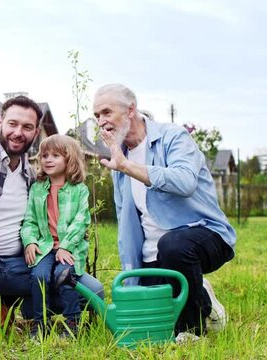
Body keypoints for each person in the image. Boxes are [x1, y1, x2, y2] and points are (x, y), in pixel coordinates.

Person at [0, 95, 103, 342]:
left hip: (18, 266)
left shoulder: (31, 176)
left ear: (35, 133)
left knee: (92, 292)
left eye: (27, 127)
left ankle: (11, 304)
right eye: (12, 124)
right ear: (0, 122)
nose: (18, 132)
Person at [93, 84, 236, 340]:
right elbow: (126, 221)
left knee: (174, 245)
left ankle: (192, 332)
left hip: (204, 236)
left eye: (106, 112)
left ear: (130, 110)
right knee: (153, 311)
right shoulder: (119, 157)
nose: (101, 121)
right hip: (154, 252)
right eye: (97, 116)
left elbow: (185, 182)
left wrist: (128, 167)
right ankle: (201, 293)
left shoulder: (173, 137)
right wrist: (130, 275)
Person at [21, 135, 90, 339]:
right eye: (44, 156)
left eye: (55, 156)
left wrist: (66, 246)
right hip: (45, 246)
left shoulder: (79, 190)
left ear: (69, 160)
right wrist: (30, 241)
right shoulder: (37, 189)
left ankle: (72, 324)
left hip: (70, 248)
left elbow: (81, 221)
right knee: (38, 276)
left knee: (64, 277)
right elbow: (29, 220)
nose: (48, 160)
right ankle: (40, 324)